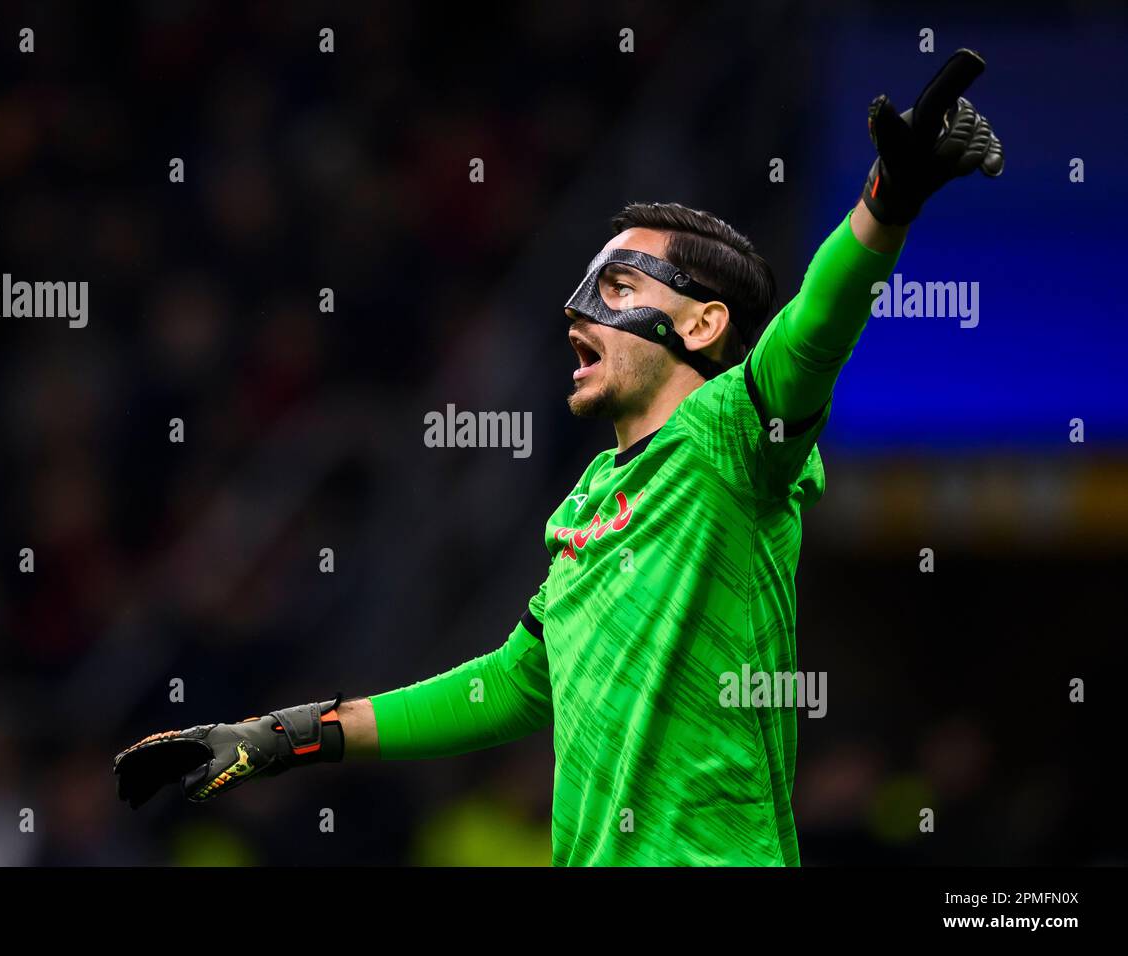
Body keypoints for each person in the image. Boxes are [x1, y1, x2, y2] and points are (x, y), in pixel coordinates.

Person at [113, 50, 1003, 865]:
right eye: (581, 290)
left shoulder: (736, 436)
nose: (578, 313)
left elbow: (815, 327)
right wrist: (283, 737)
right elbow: (511, 684)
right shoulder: (586, 501)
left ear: (702, 323)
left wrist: (889, 197)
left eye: (616, 288)